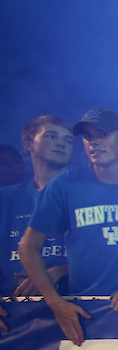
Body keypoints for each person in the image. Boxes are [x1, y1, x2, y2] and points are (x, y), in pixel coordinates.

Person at [18, 108, 118, 345]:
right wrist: (55, 302)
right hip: (83, 308)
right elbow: (29, 247)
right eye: (88, 137)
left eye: (103, 135)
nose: (94, 143)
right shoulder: (65, 184)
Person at [1, 116, 72, 296]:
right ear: (28, 144)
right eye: (51, 136)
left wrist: (62, 270)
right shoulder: (6, 198)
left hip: (77, 304)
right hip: (13, 313)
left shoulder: (88, 196)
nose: (61, 143)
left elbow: (107, 255)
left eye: (68, 140)